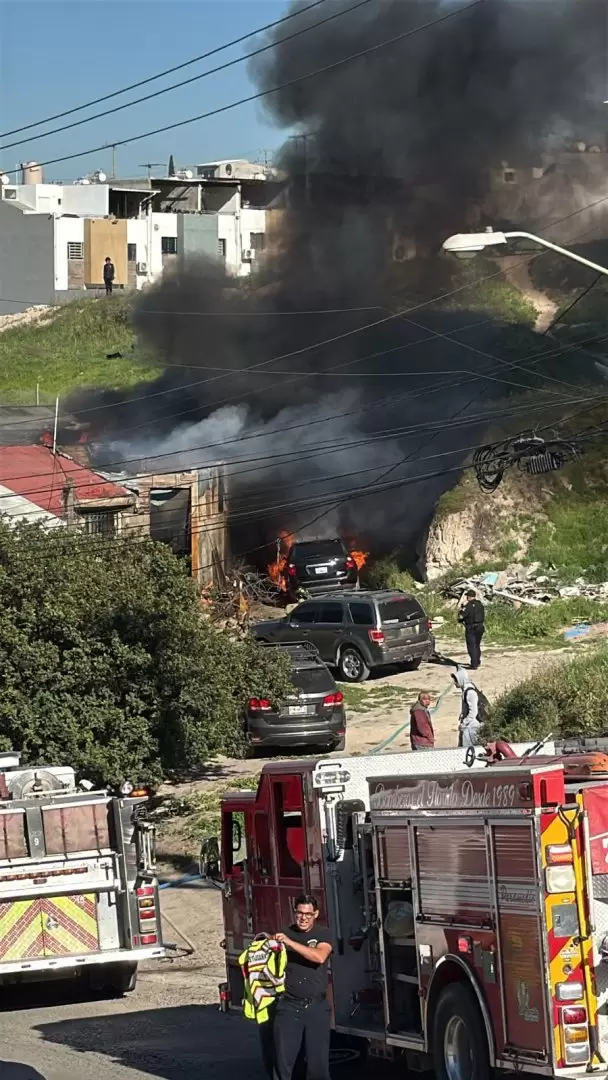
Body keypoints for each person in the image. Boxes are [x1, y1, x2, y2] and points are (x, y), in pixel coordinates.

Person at [273, 895, 333, 1080]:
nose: (303, 917)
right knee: (284, 1065)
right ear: (295, 913)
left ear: (316, 914)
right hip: (289, 1007)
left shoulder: (323, 934)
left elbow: (319, 957)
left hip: (316, 1008)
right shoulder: (285, 932)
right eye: (299, 913)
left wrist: (290, 943)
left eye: (308, 914)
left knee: (318, 1066)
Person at [452, 667, 484, 747]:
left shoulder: (470, 693)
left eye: (456, 680)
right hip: (467, 726)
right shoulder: (465, 691)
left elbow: (473, 712)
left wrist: (464, 723)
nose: (455, 682)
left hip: (471, 727)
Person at [458, 588, 485, 670]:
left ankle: (474, 664)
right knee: (477, 645)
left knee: (471, 646)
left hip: (471, 628)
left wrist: (461, 611)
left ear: (469, 597)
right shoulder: (480, 605)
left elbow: (461, 616)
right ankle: (477, 661)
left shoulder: (468, 606)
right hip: (480, 627)